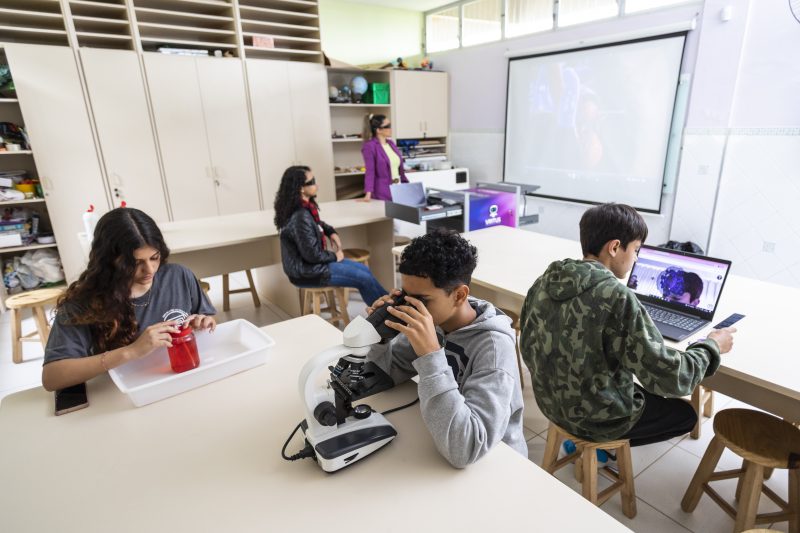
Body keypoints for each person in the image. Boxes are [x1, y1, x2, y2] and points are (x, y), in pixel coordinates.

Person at [520, 203, 736, 447]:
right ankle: (605, 448)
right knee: (686, 416)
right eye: (635, 250)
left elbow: (527, 345)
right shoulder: (617, 298)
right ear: (614, 247)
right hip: (595, 420)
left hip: (549, 404)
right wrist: (711, 346)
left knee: (629, 375)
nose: (635, 258)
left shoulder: (546, 280)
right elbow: (672, 378)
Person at [366, 230, 526, 468]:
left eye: (421, 299)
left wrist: (431, 356)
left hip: (498, 462)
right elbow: (385, 374)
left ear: (459, 295)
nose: (412, 308)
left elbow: (465, 449)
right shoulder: (436, 321)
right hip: (445, 443)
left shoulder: (493, 349)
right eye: (405, 297)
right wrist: (380, 336)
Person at [42, 208, 216, 392]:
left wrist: (204, 322)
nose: (149, 269)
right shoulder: (83, 302)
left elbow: (207, 317)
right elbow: (52, 377)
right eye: (135, 263)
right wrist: (131, 351)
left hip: (182, 383)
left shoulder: (178, 276)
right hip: (126, 393)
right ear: (109, 260)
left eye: (154, 258)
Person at [275, 165, 386, 306]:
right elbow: (312, 255)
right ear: (301, 188)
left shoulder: (303, 208)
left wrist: (330, 231)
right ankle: (389, 313)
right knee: (364, 278)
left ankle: (391, 307)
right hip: (307, 273)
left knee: (364, 270)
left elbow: (316, 223)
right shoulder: (300, 216)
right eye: (312, 181)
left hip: (313, 266)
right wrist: (335, 256)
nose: (317, 184)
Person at [358, 114, 408, 202]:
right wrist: (368, 193)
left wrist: (406, 185)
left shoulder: (391, 143)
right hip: (382, 192)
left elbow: (398, 168)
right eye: (388, 126)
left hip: (398, 189)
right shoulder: (369, 146)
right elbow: (370, 171)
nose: (391, 128)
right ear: (378, 130)